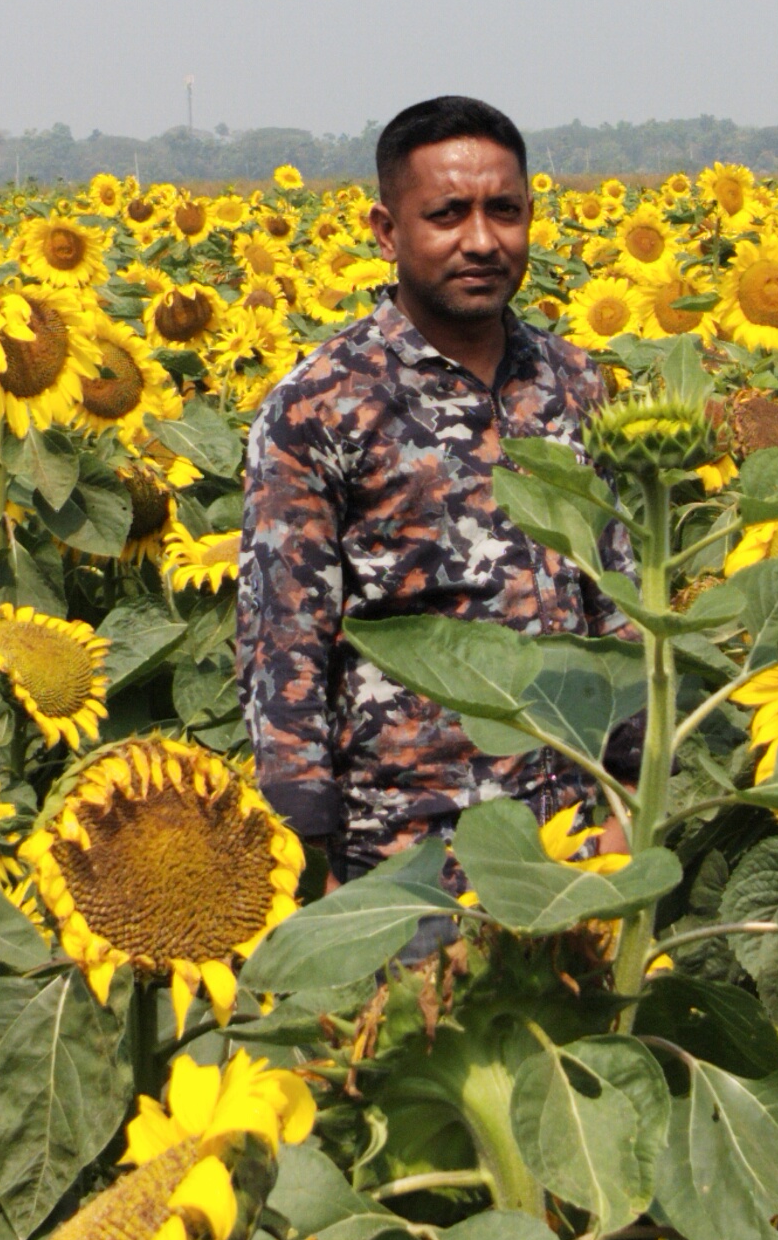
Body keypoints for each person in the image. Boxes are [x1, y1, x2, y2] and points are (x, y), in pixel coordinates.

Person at [236, 95, 614, 887]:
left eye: (504, 211)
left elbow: (614, 593)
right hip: (410, 854)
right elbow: (284, 641)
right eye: (447, 214)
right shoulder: (321, 403)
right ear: (387, 231)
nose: (481, 241)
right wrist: (309, 848)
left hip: (576, 837)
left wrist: (631, 792)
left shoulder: (573, 382)